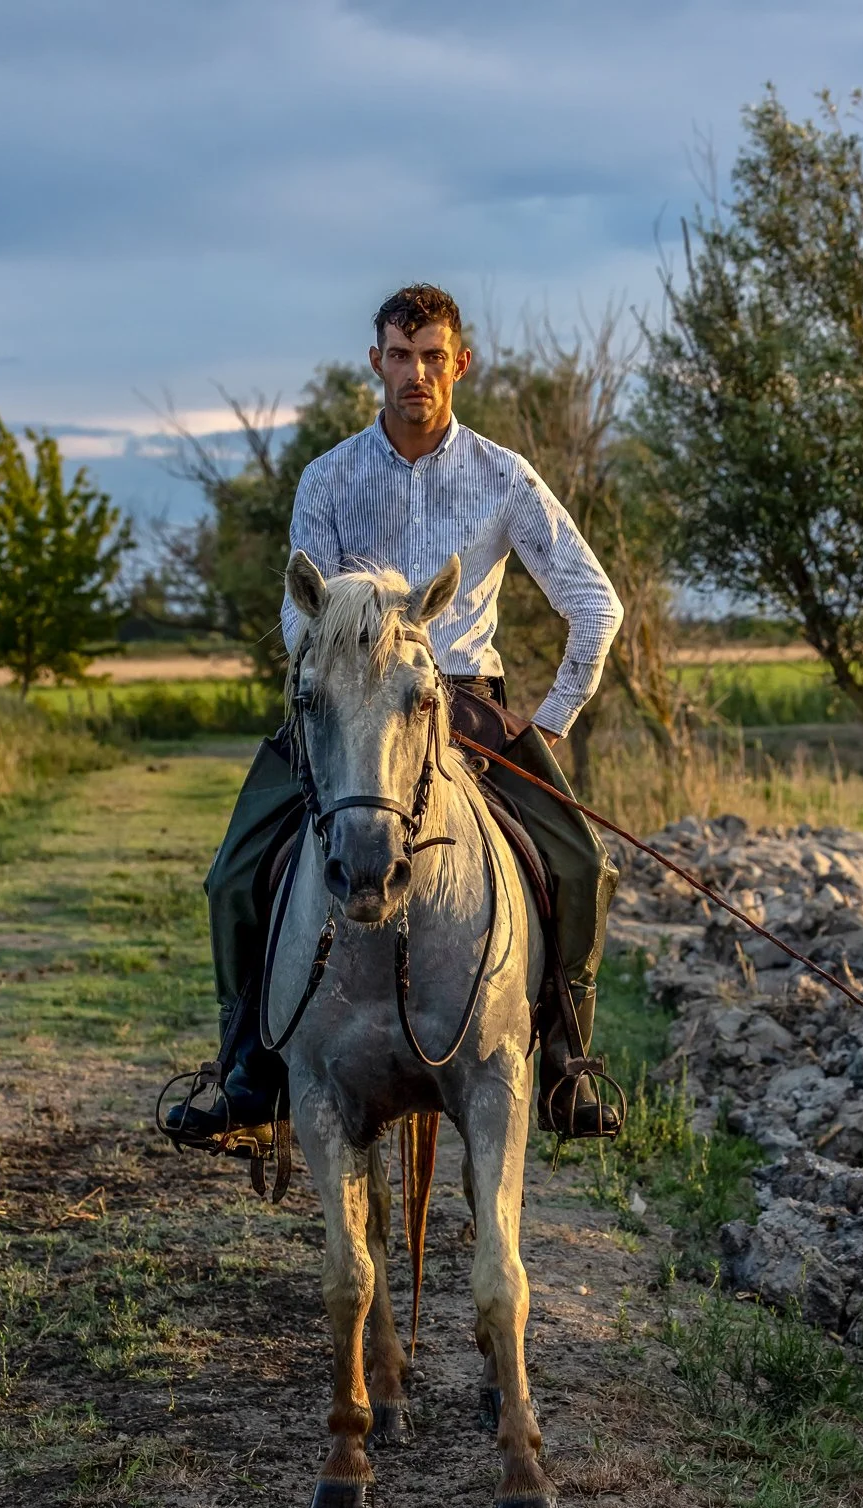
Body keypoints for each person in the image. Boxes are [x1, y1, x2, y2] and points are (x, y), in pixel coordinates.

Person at [175, 283, 624, 1146]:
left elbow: (596, 606)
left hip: (467, 708)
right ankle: (249, 1067)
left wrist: (553, 720)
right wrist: (338, 671)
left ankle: (566, 1065)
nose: (415, 372)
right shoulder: (330, 476)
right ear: (375, 361)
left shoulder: (503, 476)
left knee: (581, 863)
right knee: (235, 872)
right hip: (349, 701)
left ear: (460, 363)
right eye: (399, 354)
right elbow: (295, 615)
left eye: (432, 356)